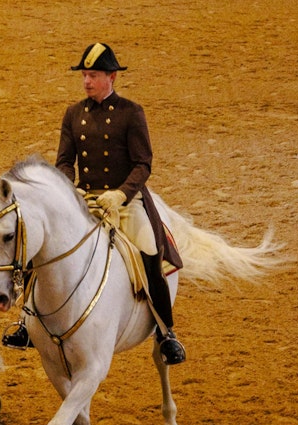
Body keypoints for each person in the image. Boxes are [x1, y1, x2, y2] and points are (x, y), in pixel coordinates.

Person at [20, 41, 186, 364]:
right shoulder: (74, 114)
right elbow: (65, 162)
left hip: (127, 201)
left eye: (93, 75)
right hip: (86, 200)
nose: (86, 82)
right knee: (43, 244)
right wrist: (70, 189)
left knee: (150, 251)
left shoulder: (131, 113)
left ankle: (166, 332)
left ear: (111, 77)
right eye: (84, 75)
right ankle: (26, 321)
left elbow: (143, 165)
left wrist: (120, 194)